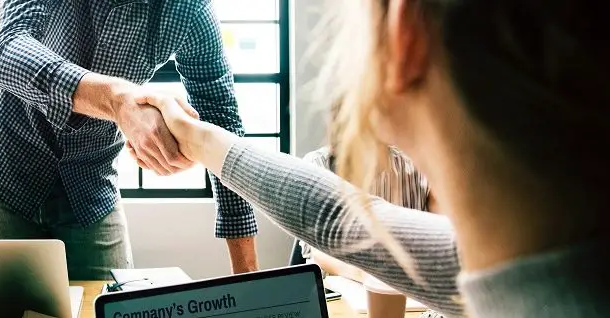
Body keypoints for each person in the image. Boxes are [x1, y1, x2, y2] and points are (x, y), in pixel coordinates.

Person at [139, 0, 610, 315]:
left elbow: (337, 222)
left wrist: (194, 138)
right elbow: (336, 219)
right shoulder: (519, 259)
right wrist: (199, 139)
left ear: (404, 34)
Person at [0, 0, 259, 280]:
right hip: (4, 166)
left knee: (110, 305)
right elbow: (6, 48)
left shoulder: (190, 7)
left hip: (90, 184)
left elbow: (220, 118)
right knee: (8, 308)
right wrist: (118, 100)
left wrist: (248, 277)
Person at [301, 147, 447, 318]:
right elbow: (318, 253)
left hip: (412, 300)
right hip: (338, 298)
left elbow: (443, 243)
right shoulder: (318, 165)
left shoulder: (418, 168)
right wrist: (368, 274)